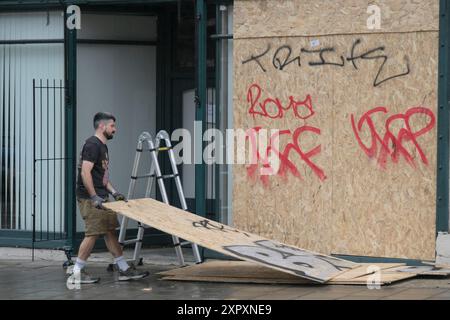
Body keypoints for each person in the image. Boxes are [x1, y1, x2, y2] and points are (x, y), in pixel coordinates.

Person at [68, 112, 148, 284]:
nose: (115, 129)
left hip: (102, 197)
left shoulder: (103, 146)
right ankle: (76, 272)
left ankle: (124, 269)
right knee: (93, 233)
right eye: (112, 126)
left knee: (109, 231)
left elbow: (102, 176)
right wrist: (94, 196)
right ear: (102, 126)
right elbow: (85, 172)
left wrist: (114, 192)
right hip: (91, 199)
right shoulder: (92, 145)